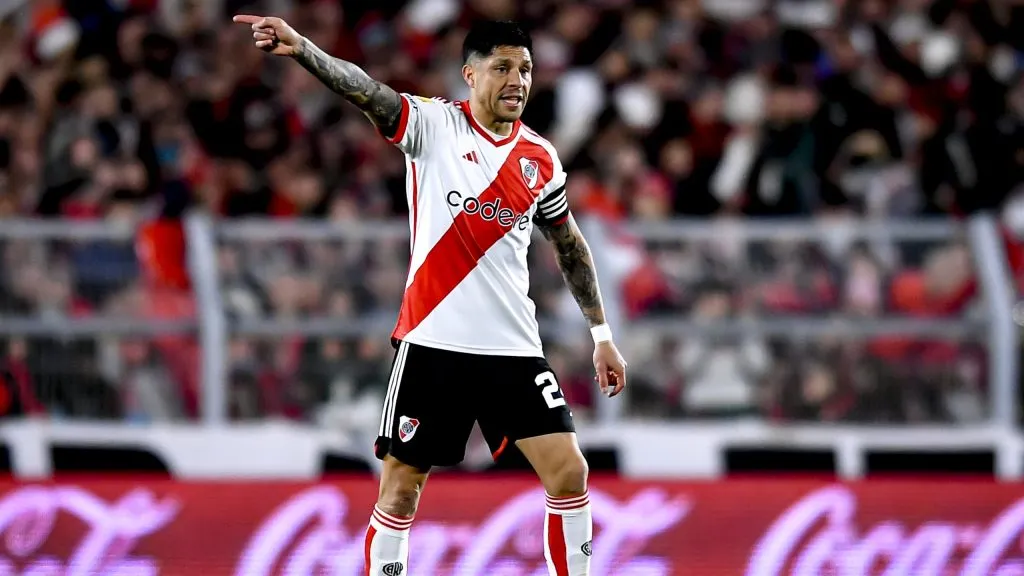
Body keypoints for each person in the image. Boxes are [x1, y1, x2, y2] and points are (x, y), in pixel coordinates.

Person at [234, 14, 627, 575]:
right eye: (503, 67)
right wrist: (302, 50)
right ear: (470, 74)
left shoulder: (541, 158)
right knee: (399, 491)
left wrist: (601, 334)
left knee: (570, 473)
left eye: (526, 69)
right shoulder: (433, 125)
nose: (517, 79)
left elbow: (569, 244)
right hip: (433, 342)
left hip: (513, 350)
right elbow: (366, 90)